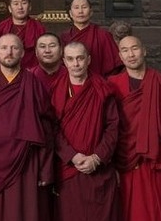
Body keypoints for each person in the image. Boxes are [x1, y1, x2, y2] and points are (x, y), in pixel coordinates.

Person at [109, 34, 161, 221]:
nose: (131, 54)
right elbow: (107, 128)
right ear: (120, 56)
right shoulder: (112, 85)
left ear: (144, 51)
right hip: (124, 162)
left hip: (157, 162)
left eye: (135, 48)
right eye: (125, 50)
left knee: (159, 211)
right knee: (128, 211)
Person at [0, 33, 55, 221]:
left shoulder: (34, 83)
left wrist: (46, 168)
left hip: (29, 160)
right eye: (4, 48)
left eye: (14, 48)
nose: (9, 52)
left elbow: (48, 126)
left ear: (22, 53)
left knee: (30, 211)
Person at [51, 42, 119, 219]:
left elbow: (112, 126)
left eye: (80, 58)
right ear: (63, 62)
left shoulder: (103, 88)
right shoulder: (55, 90)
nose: (76, 64)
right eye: (71, 59)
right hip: (69, 167)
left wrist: (97, 158)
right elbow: (52, 128)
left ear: (88, 60)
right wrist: (72, 156)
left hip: (99, 167)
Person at [60, 0, 120, 77]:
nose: (80, 11)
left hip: (99, 83)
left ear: (91, 12)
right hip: (71, 83)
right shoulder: (64, 37)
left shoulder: (103, 35)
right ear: (70, 13)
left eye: (84, 7)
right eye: (76, 8)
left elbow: (114, 67)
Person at [0, 0, 46, 69]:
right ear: (10, 9)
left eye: (24, 3)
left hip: (32, 69)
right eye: (16, 4)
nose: (20, 7)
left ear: (29, 7)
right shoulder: (1, 28)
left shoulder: (38, 28)